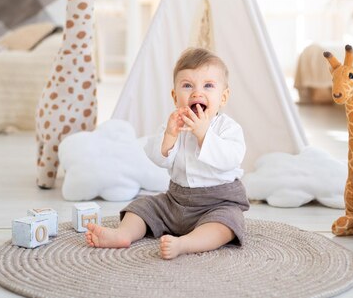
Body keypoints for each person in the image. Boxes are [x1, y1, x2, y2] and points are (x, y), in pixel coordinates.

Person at [85, 47, 249, 259]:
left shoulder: (228, 128)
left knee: (226, 224)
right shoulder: (173, 125)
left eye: (208, 86)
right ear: (174, 96)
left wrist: (203, 134)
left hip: (218, 204)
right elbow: (157, 156)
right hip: (175, 201)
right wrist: (170, 136)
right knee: (143, 205)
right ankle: (123, 234)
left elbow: (231, 158)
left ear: (223, 97)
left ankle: (186, 243)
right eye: (187, 85)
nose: (197, 93)